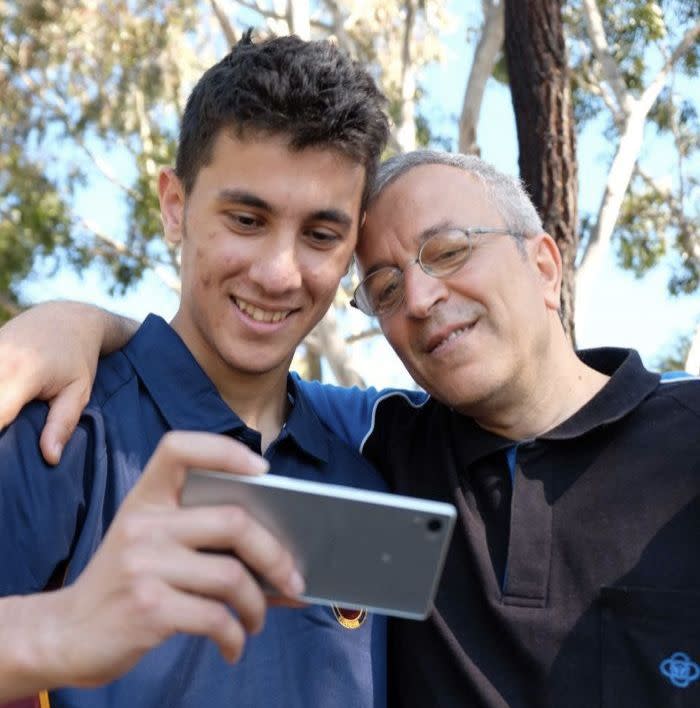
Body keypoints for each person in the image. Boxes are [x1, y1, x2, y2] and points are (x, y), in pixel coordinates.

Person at [4, 149, 699, 708]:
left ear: (544, 265)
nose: (421, 299)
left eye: (450, 250)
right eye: (387, 288)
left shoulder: (686, 438)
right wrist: (76, 324)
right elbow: (227, 379)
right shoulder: (379, 447)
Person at [0, 32, 391, 707]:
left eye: (322, 236)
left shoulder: (369, 470)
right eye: (246, 219)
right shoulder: (54, 435)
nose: (277, 273)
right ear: (175, 206)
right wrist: (56, 628)